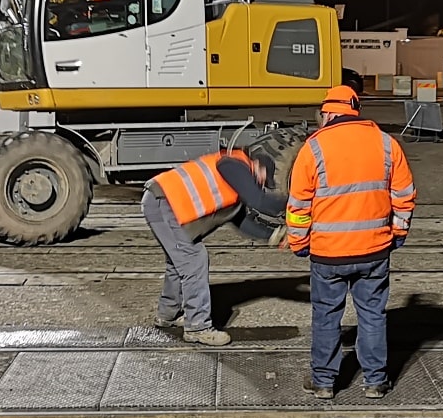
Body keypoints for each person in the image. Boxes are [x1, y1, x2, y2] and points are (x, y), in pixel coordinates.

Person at [285, 84, 416, 399]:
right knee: (372, 314)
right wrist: (396, 235)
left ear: (328, 112)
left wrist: (298, 242)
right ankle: (375, 381)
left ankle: (324, 382)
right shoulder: (387, 144)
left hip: (328, 254)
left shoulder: (313, 149)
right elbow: (404, 198)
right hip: (374, 250)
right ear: (354, 110)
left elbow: (298, 205)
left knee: (326, 315)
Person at [143, 146, 284, 346]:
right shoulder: (233, 164)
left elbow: (241, 221)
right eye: (262, 178)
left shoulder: (234, 184)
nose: (260, 184)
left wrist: (273, 236)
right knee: (194, 260)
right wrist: (297, 202)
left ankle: (168, 315)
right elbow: (259, 201)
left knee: (178, 263)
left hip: (161, 202)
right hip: (163, 201)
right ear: (258, 166)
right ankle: (198, 327)